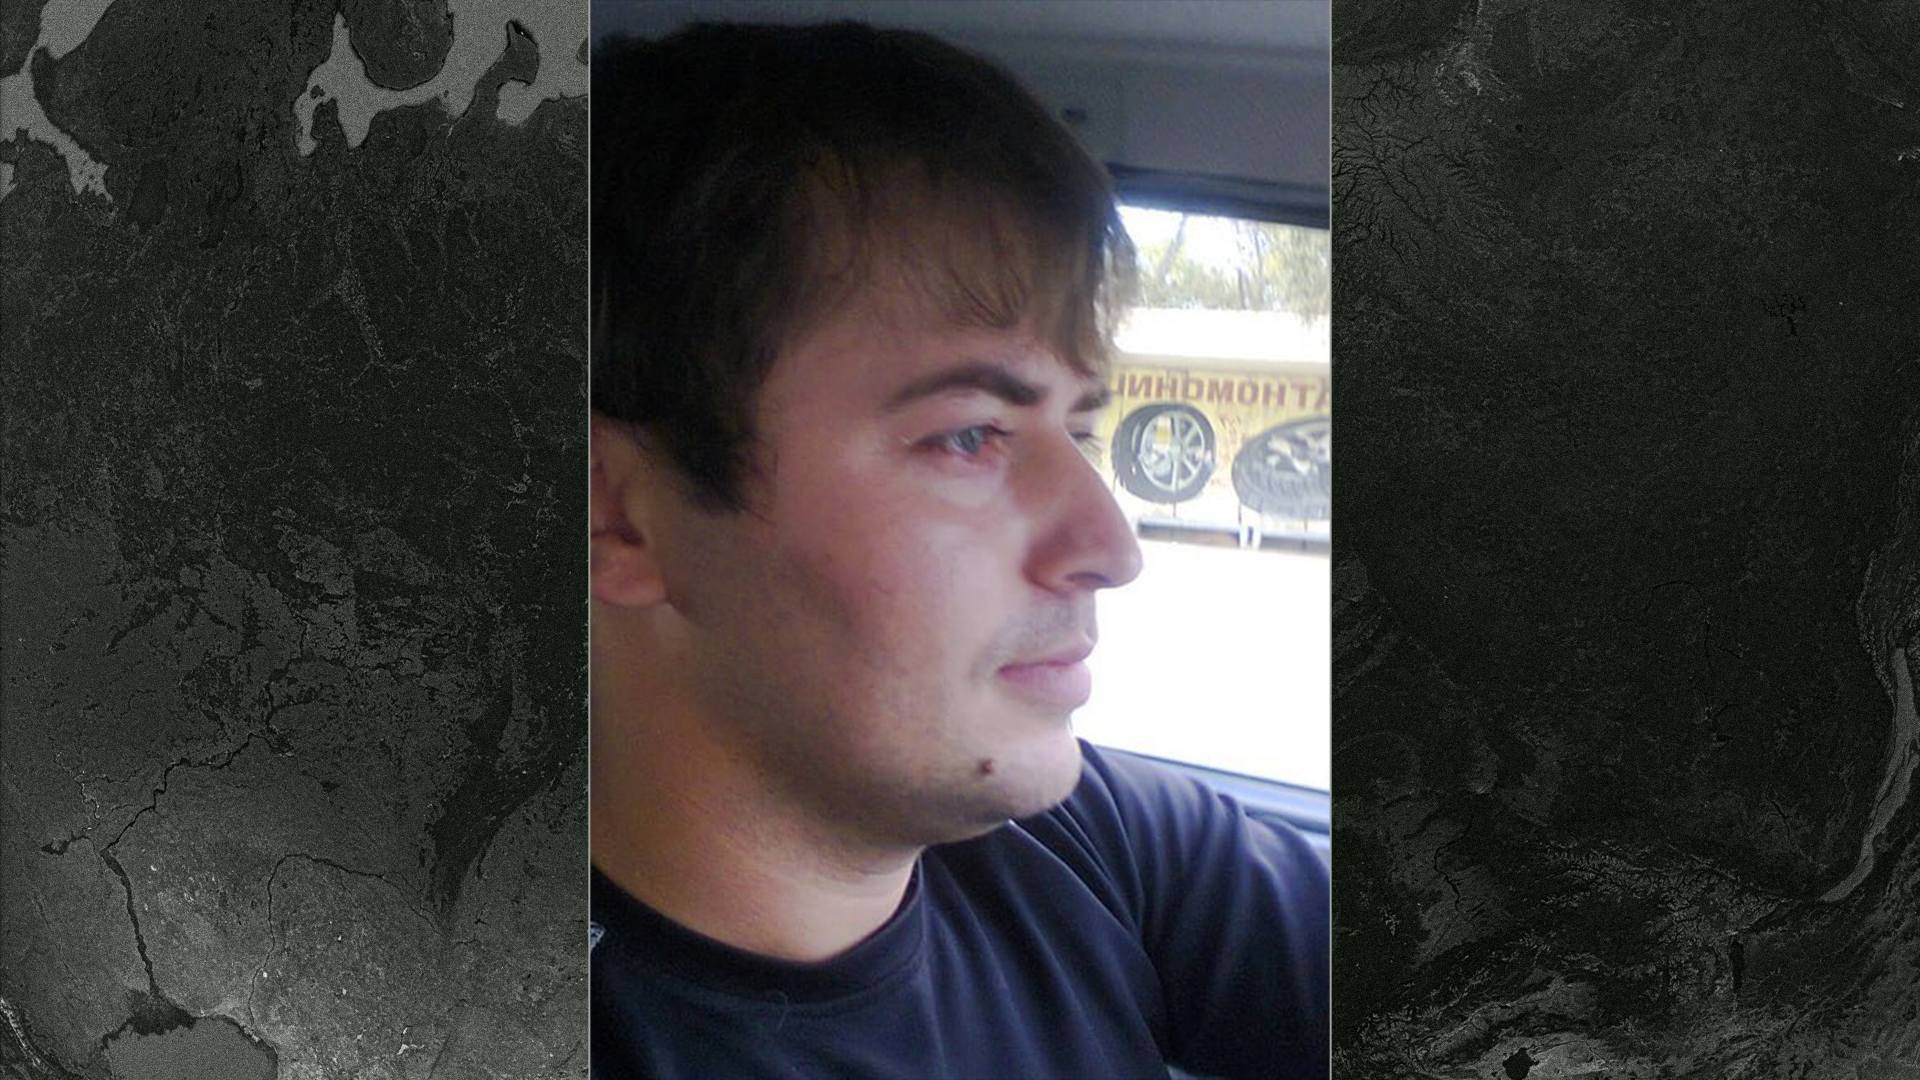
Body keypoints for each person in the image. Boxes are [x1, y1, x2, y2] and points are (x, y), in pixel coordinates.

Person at [589, 19, 1329, 1080]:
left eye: (1079, 432)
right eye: (970, 436)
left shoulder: (1092, 838)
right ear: (618, 515)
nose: (1112, 548)